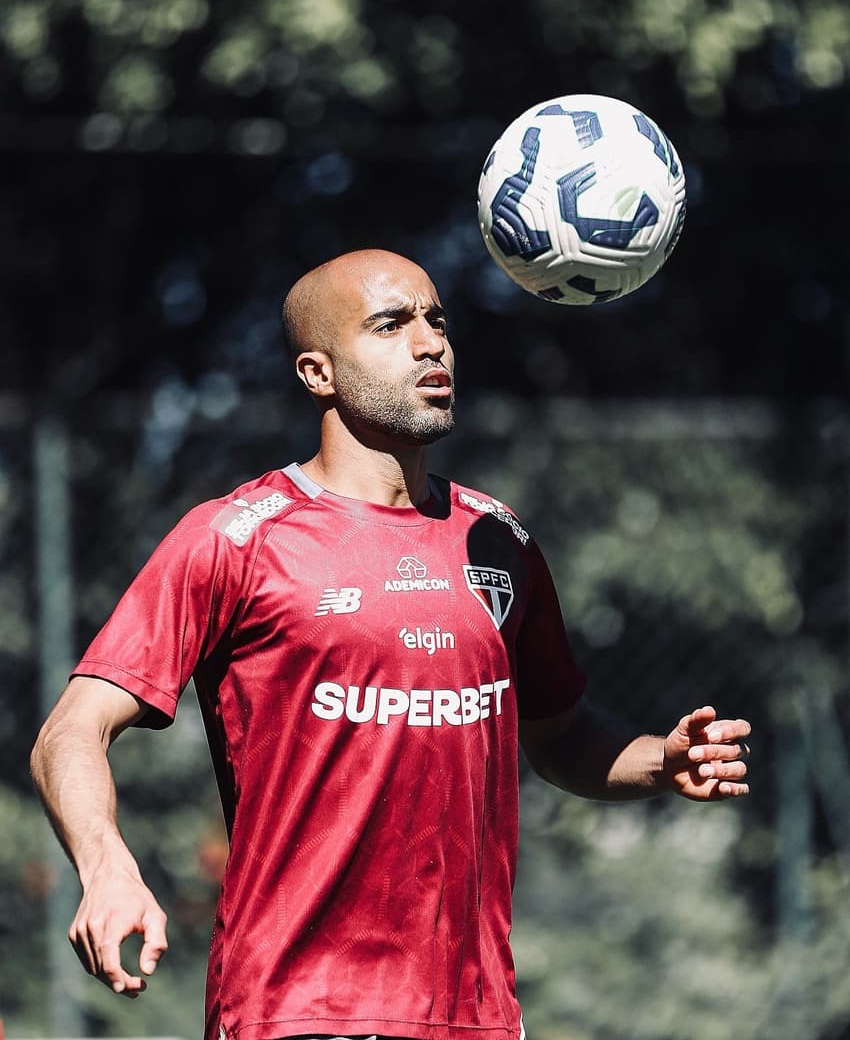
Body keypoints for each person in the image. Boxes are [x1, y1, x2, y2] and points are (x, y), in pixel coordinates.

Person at [30, 249, 751, 1040]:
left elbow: (560, 737)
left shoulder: (498, 540)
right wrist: (106, 869)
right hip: (295, 1011)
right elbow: (70, 731)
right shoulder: (233, 539)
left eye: (437, 319)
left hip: (476, 1016)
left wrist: (662, 760)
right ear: (318, 372)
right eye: (391, 324)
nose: (431, 343)